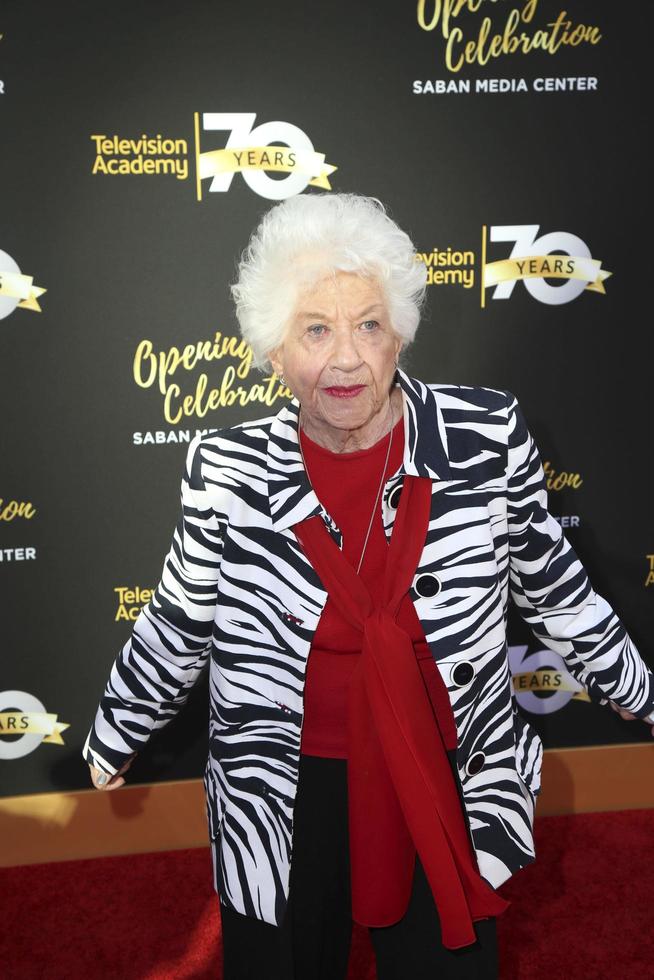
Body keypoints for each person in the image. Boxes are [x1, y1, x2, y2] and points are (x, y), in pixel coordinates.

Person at [84, 193, 654, 980]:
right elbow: (182, 617)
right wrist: (120, 724)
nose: (346, 358)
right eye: (315, 330)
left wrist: (635, 687)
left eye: (369, 325)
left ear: (401, 336)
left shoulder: (484, 439)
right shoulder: (228, 472)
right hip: (281, 781)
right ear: (274, 351)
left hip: (441, 767)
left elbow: (551, 582)